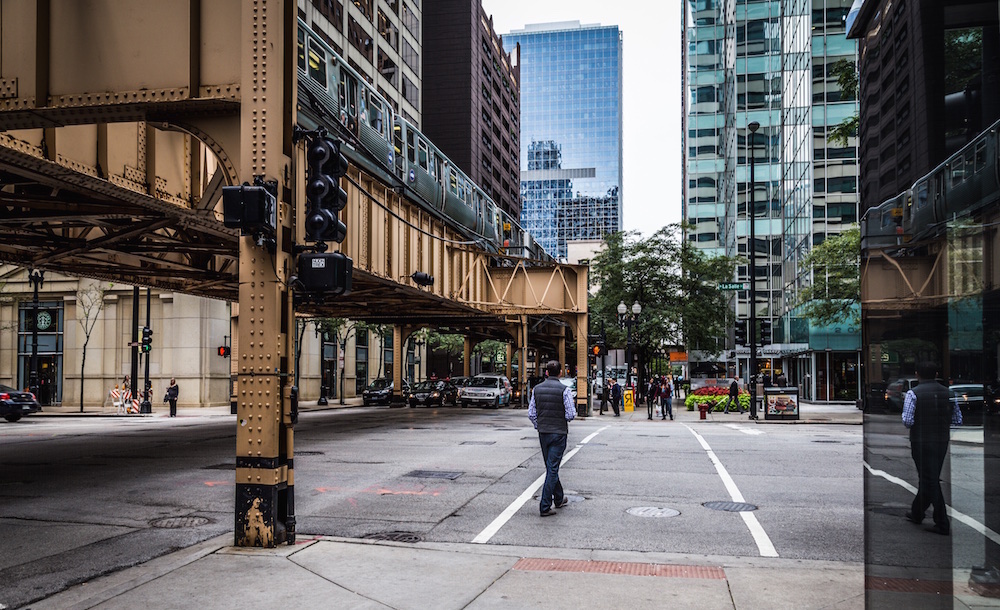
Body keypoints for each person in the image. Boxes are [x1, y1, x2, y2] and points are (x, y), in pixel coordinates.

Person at [903, 361, 962, 535]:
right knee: (929, 477)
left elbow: (907, 421)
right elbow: (957, 420)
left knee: (930, 480)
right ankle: (917, 512)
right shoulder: (949, 393)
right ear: (936, 374)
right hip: (941, 441)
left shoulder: (913, 394)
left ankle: (942, 522)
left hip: (921, 441)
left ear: (916, 374)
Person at [528, 360, 575, 517]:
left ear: (546, 372)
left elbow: (531, 413)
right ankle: (545, 505)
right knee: (553, 468)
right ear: (560, 373)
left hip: (543, 433)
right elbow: (570, 414)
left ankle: (559, 498)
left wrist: (539, 425)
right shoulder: (565, 390)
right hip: (559, 433)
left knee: (550, 467)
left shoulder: (537, 390)